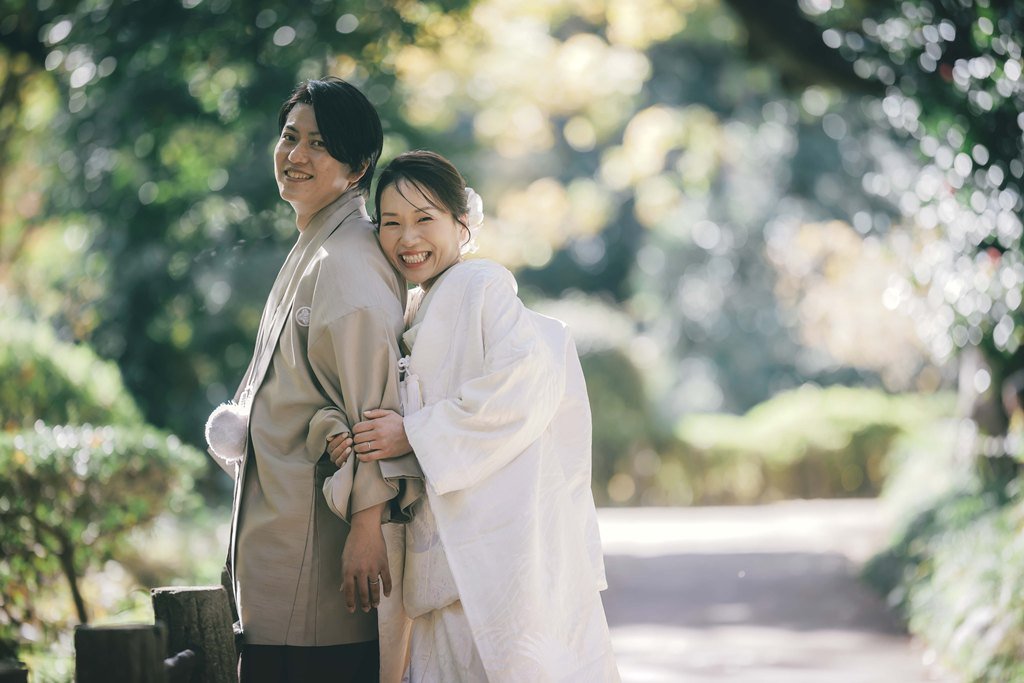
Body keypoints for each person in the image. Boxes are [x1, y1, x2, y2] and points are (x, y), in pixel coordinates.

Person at [329, 150, 620, 682]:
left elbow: (523, 385)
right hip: (449, 556)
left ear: (462, 224)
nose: (408, 238)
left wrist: (414, 434)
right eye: (391, 223)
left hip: (490, 552)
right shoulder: (416, 305)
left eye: (425, 219)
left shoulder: (480, 284)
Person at [204, 77, 420, 683]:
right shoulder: (318, 244)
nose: (296, 155)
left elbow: (372, 411)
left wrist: (367, 529)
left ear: (358, 167)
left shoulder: (346, 265)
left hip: (319, 569)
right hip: (283, 544)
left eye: (320, 144)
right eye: (290, 136)